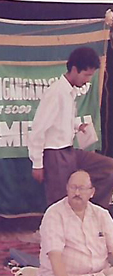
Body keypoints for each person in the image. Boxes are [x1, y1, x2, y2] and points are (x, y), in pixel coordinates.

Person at [28, 46, 113, 208]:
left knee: (109, 169)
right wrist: (37, 164)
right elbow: (38, 129)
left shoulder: (69, 92)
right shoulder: (56, 92)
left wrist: (77, 125)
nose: (88, 80)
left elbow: (61, 118)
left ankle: (90, 213)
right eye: (86, 75)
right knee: (60, 202)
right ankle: (64, 221)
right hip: (55, 154)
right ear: (74, 69)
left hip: (70, 151)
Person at [36, 170, 113, 276]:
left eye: (82, 188)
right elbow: (55, 256)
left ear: (92, 192)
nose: (77, 192)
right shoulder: (54, 214)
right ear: (67, 188)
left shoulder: (101, 214)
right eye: (73, 187)